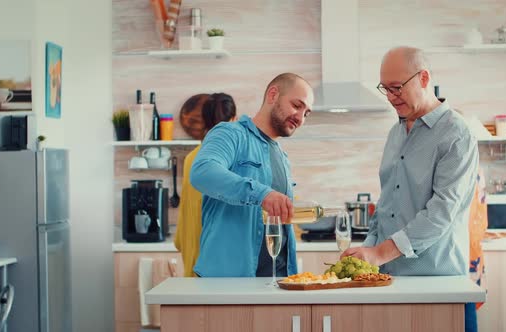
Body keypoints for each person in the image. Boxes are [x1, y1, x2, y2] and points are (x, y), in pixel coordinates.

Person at [341, 46, 479, 331]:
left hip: (437, 285)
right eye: (386, 89)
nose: (391, 97)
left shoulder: (457, 134)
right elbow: (387, 204)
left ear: (424, 78)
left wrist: (380, 254)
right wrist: (367, 253)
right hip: (390, 281)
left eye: (397, 88)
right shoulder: (395, 133)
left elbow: (441, 212)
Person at [190, 73, 314, 277]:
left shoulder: (282, 156)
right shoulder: (230, 134)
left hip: (277, 280)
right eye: (296, 105)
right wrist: (262, 194)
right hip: (228, 282)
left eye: (306, 113)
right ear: (273, 94)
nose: (300, 118)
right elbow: (203, 172)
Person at [173, 93, 237, 277]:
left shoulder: (192, 158)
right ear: (233, 120)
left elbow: (186, 208)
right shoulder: (232, 158)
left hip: (194, 256)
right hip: (218, 263)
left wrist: (181, 241)